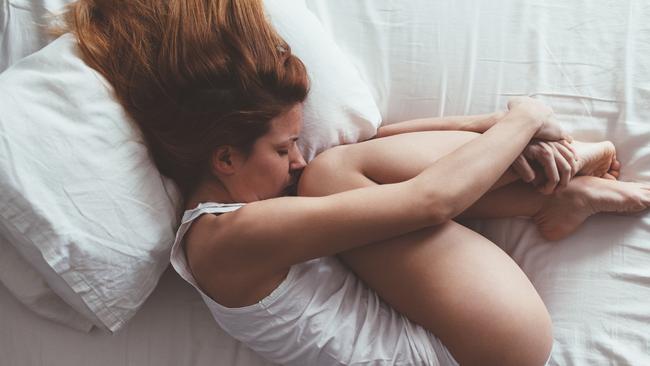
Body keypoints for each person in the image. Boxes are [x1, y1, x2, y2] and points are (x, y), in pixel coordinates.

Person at [60, 0, 650, 365]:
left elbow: (375, 151)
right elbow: (429, 200)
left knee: (335, 169)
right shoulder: (230, 240)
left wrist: (485, 125)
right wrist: (525, 114)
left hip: (476, 328)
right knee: (332, 173)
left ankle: (559, 194)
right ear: (224, 157)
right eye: (283, 146)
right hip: (486, 349)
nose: (295, 159)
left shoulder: (249, 206)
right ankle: (556, 184)